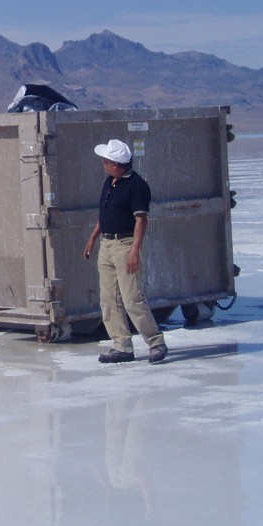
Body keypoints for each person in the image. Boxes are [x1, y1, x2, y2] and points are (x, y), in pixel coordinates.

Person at [83, 139, 168, 364]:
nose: (103, 163)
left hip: (125, 245)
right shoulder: (110, 182)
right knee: (109, 298)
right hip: (106, 245)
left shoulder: (136, 186)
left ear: (116, 164)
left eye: (106, 160)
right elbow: (105, 214)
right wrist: (93, 238)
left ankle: (155, 341)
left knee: (132, 298)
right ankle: (121, 345)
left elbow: (141, 221)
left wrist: (134, 251)